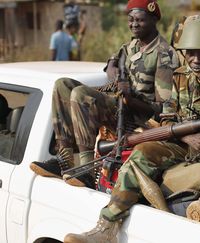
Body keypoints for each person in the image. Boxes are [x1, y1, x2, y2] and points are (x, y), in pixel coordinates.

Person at [63, 19, 200, 242]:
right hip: (186, 143)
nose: (196, 59)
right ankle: (107, 226)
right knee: (141, 153)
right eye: (190, 53)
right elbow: (167, 118)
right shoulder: (179, 77)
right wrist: (187, 136)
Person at [31, 0, 178, 188]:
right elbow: (113, 60)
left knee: (81, 94)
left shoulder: (164, 54)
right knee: (62, 85)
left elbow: (162, 109)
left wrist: (130, 99)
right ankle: (64, 160)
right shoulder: (131, 46)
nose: (134, 24)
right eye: (130, 19)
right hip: (118, 107)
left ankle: (87, 170)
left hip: (136, 118)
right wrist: (113, 71)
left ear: (153, 20)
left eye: (140, 20)